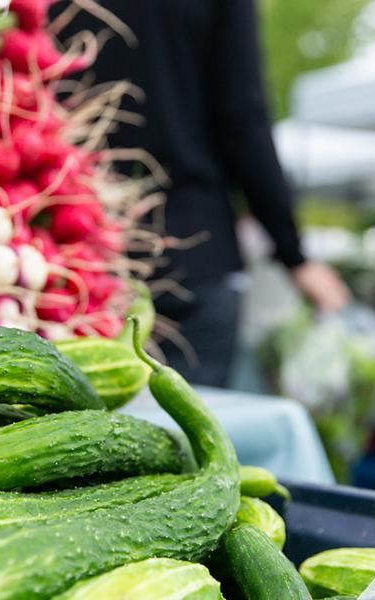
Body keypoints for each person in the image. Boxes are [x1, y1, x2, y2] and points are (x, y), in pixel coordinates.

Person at [62, 0, 350, 387]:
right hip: (190, 254)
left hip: (77, 257)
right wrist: (293, 253)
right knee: (189, 437)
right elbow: (243, 117)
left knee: (84, 431)